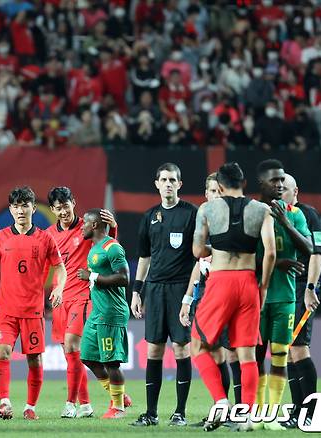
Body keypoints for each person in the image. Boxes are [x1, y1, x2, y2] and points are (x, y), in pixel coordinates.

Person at [182, 162, 276, 432]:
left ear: (220, 186)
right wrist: (264, 285)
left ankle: (221, 402)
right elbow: (270, 252)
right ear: (243, 183)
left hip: (220, 282)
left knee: (197, 346)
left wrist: (219, 246)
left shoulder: (208, 209)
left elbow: (198, 251)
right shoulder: (262, 210)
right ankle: (246, 416)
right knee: (247, 354)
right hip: (248, 282)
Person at [0, 186, 67, 420]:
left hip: (32, 310)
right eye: (16, 206)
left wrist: (59, 287)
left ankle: (30, 406)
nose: (21, 210)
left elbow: (60, 267)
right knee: (3, 352)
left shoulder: (45, 238)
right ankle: (5, 403)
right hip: (6, 310)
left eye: (25, 205)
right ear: (11, 210)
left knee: (34, 358)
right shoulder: (0, 237)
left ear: (33, 207)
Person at [46, 187, 125, 419]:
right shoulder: (49, 234)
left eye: (66, 205)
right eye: (58, 208)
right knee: (73, 355)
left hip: (83, 296)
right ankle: (91, 403)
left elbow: (108, 249)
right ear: (52, 209)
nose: (63, 211)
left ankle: (70, 404)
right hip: (60, 298)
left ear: (73, 202)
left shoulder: (88, 227)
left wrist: (115, 228)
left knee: (73, 347)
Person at [130, 163, 199, 427]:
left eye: (173, 180)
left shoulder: (191, 214)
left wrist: (190, 295)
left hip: (181, 288)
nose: (168, 184)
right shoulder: (149, 217)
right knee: (154, 350)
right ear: (156, 184)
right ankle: (151, 413)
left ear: (180, 185)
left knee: (181, 349)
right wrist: (137, 292)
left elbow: (198, 257)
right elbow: (144, 258)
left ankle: (180, 412)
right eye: (164, 180)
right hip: (155, 289)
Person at [255, 159, 312, 430]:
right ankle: (256, 413)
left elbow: (309, 248)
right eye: (274, 181)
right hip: (256, 297)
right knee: (255, 357)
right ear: (262, 184)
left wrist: (285, 222)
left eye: (282, 181)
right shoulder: (251, 213)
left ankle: (273, 414)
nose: (279, 185)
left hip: (286, 298)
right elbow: (244, 257)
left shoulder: (296, 214)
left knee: (279, 356)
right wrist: (279, 262)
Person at [189, 173, 242, 428]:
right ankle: (221, 408)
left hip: (230, 294)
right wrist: (188, 298)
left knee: (232, 354)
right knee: (216, 354)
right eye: (210, 191)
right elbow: (198, 263)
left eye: (217, 191)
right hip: (208, 296)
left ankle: (236, 411)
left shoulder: (232, 221)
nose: (213, 195)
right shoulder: (205, 221)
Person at [77, 209, 130, 419]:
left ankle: (118, 408)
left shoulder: (113, 248)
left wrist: (92, 276)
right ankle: (119, 395)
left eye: (85, 224)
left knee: (111, 363)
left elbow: (124, 278)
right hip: (97, 312)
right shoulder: (96, 247)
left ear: (95, 225)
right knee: (88, 357)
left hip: (111, 313)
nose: (82, 227)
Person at [280, 174, 321, 428]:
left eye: (284, 189)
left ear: (296, 190)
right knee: (287, 353)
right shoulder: (275, 215)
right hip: (282, 291)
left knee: (298, 348)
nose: (280, 192)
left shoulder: (309, 215)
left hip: (300, 288)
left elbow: (317, 253)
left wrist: (310, 288)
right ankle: (297, 411)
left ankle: (311, 412)